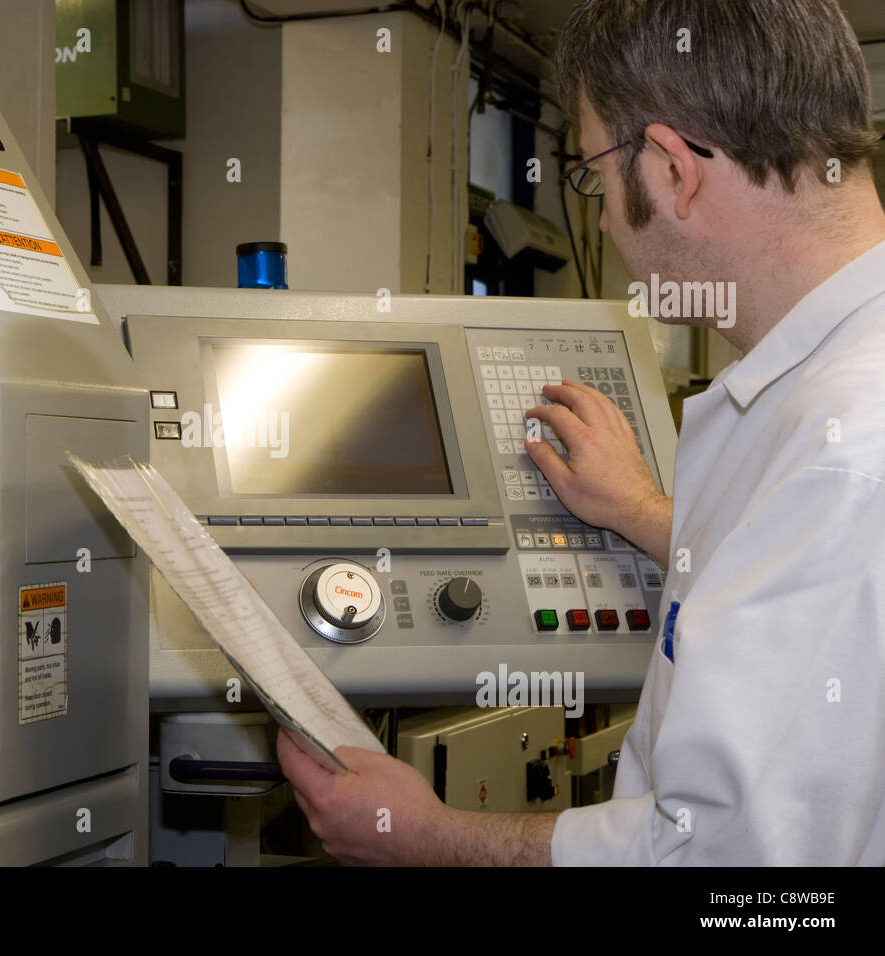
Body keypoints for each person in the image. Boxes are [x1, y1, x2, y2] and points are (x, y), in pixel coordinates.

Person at [277, 0, 885, 865]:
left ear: (674, 170)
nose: (600, 222)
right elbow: (817, 585)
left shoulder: (849, 449)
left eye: (597, 178)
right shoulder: (836, 395)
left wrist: (423, 835)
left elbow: (723, 870)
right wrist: (643, 511)